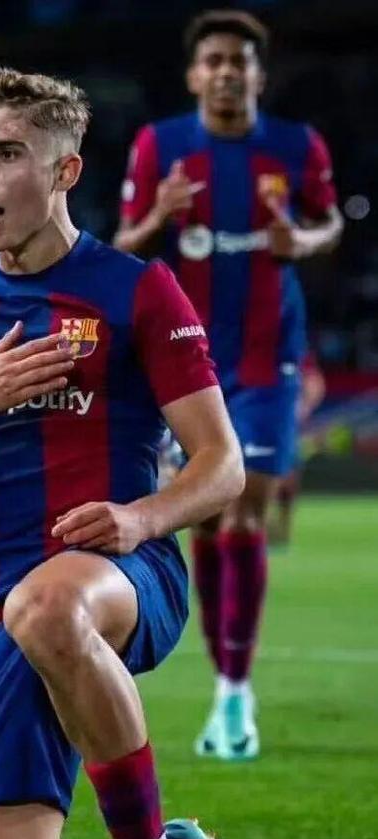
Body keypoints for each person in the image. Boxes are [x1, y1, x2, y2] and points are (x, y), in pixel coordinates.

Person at [0, 68, 311, 839]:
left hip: (125, 574)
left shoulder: (135, 289)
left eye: (8, 153)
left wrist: (143, 519)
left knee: (49, 603)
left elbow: (222, 467)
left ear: (65, 171)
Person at [114, 10, 343, 762]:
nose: (225, 73)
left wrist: (300, 239)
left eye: (238, 62)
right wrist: (159, 214)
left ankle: (234, 693)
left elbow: (330, 223)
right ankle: (226, 678)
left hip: (269, 360)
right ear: (193, 74)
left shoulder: (297, 146)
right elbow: (122, 245)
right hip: (187, 366)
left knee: (245, 512)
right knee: (209, 522)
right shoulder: (160, 147)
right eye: (212, 60)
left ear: (257, 76)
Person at [269, 352, 326, 546]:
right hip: (256, 418)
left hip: (286, 426)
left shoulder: (294, 349)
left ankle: (283, 526)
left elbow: (314, 380)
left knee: (288, 480)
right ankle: (262, 524)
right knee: (260, 475)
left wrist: (304, 406)